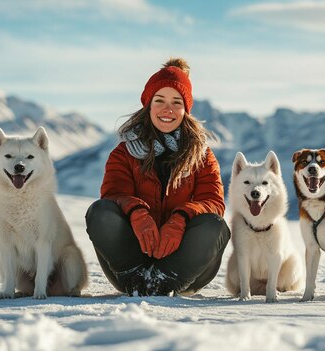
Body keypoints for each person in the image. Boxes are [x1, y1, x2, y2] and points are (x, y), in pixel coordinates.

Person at [85, 57, 231, 297]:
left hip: (187, 269)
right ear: (148, 105)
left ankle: (164, 281)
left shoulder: (202, 155)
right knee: (100, 211)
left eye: (177, 102)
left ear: (185, 109)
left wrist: (182, 217)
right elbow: (113, 196)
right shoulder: (124, 153)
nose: (168, 109)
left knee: (215, 226)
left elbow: (214, 202)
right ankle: (138, 281)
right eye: (159, 100)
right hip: (131, 263)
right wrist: (137, 213)